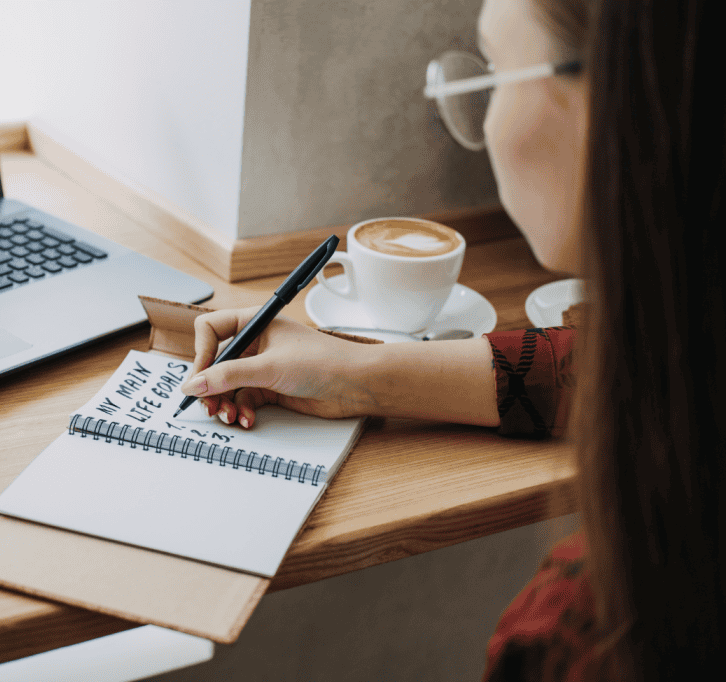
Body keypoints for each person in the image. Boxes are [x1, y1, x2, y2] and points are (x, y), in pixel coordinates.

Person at [181, 0, 725, 679]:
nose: (485, 124)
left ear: (619, 104)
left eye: (495, 71)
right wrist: (356, 373)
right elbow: (597, 368)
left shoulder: (594, 635)